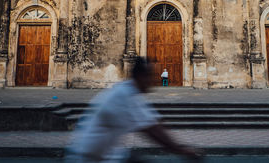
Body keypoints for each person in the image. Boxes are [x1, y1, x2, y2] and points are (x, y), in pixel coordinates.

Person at [65, 57, 200, 162]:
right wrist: (183, 150)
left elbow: (152, 121)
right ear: (141, 76)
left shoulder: (127, 91)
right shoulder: (124, 95)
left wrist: (178, 147)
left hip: (107, 154)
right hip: (88, 158)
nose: (152, 80)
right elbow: (154, 131)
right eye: (150, 76)